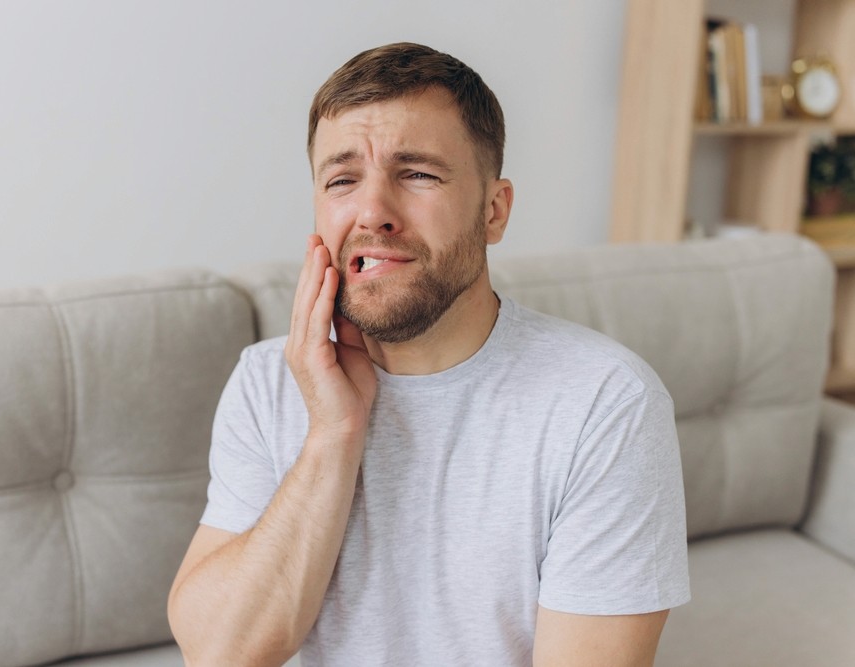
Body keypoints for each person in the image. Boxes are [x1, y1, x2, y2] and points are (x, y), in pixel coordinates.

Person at [168, 42, 690, 666]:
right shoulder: (268, 381)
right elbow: (218, 652)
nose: (372, 212)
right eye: (341, 180)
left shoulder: (603, 403)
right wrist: (333, 433)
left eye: (417, 174)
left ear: (493, 211)